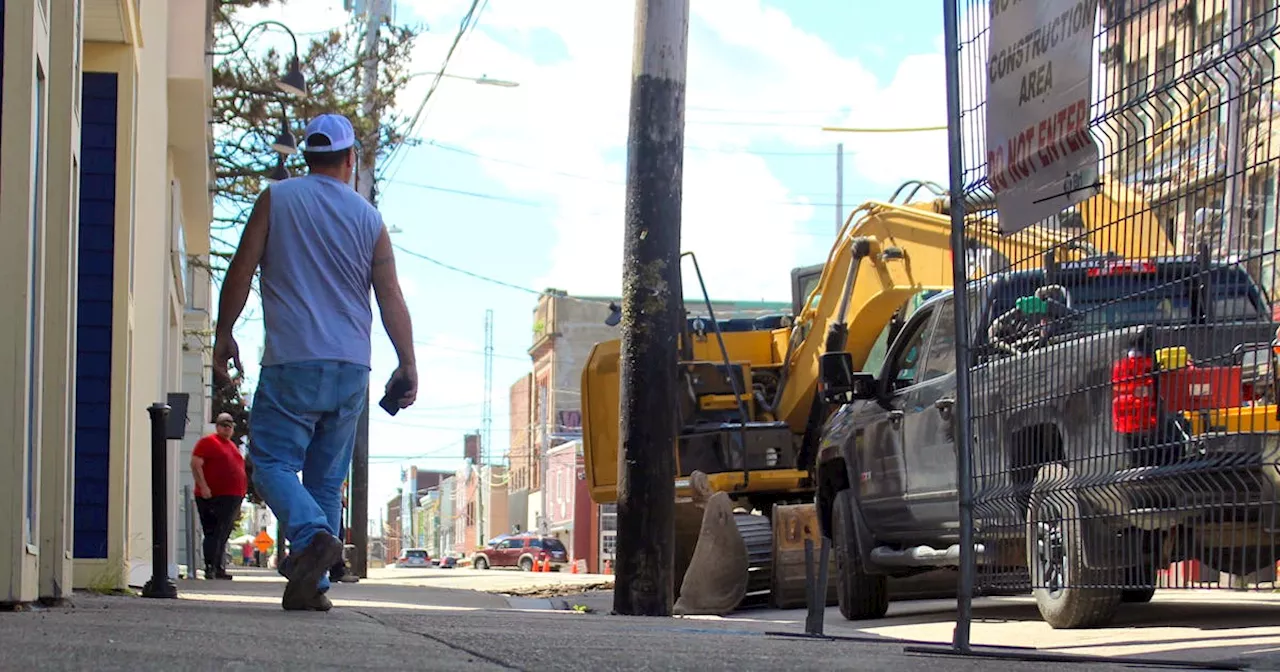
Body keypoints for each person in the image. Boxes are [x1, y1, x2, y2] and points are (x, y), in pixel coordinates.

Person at [212, 113, 417, 611]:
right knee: (325, 479)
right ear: (350, 160)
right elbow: (389, 295)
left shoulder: (276, 199)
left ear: (306, 157)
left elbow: (241, 270)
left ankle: (312, 537)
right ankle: (313, 587)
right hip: (351, 368)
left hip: (293, 360)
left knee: (269, 463)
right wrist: (407, 363)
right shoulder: (369, 218)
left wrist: (224, 333)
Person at [191, 412, 247, 580]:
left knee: (223, 534)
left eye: (230, 425)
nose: (227, 428)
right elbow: (195, 464)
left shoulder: (231, 445)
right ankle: (210, 567)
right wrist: (204, 487)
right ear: (217, 426)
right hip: (214, 496)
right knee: (213, 532)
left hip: (232, 496)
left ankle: (219, 566)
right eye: (224, 424)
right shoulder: (208, 442)